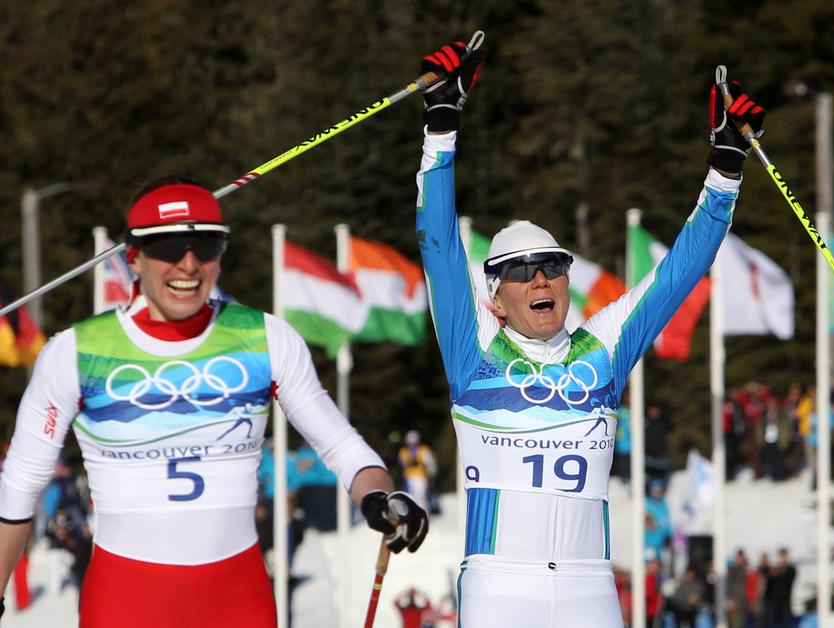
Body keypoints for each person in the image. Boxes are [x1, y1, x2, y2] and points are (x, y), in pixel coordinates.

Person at [414, 35, 766, 627]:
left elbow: (682, 269)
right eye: (520, 272)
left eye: (552, 266)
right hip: (500, 586)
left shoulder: (602, 346)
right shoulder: (473, 347)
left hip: (590, 589)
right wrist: (441, 125)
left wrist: (727, 165)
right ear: (494, 299)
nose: (540, 278)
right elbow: (438, 240)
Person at [0, 177, 428, 626]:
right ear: (134, 258)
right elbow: (21, 483)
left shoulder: (265, 338)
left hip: (236, 598)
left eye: (205, 246)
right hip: (127, 599)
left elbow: (340, 446)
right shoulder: (74, 352)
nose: (188, 265)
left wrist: (380, 496)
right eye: (168, 247)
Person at [398, 430, 438, 513]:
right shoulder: (403, 451)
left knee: (421, 498)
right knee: (411, 498)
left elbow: (430, 464)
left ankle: (424, 514)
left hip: (421, 477)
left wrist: (431, 475)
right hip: (409, 478)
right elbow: (402, 465)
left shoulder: (424, 450)